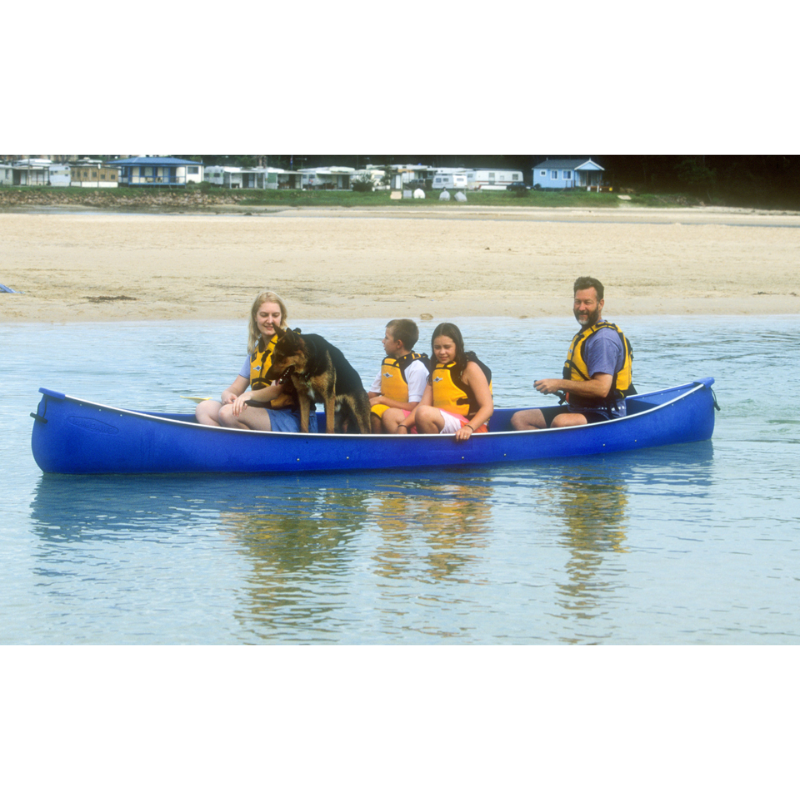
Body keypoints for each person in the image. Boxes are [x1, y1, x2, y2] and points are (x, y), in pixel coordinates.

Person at [511, 276, 634, 430]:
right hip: (579, 410)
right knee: (520, 419)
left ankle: (550, 451)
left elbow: (602, 389)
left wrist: (558, 384)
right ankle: (545, 452)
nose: (581, 307)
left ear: (600, 304)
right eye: (578, 302)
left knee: (560, 422)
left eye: (587, 302)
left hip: (605, 413)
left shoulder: (603, 339)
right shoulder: (587, 333)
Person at [195, 290, 318, 432]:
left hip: (295, 419)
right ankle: (225, 449)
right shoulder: (256, 352)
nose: (270, 321)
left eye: (275, 315)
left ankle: (243, 450)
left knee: (227, 413)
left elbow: (276, 390)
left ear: (281, 317)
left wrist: (248, 396)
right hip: (265, 414)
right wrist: (227, 395)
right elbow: (236, 388)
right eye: (264, 315)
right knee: (204, 408)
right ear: (255, 317)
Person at [396, 322, 493, 441]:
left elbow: (488, 407)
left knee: (424, 413)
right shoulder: (436, 369)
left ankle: (434, 452)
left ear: (457, 346)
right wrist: (403, 425)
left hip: (470, 426)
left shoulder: (470, 368)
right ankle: (406, 450)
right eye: (437, 347)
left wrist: (469, 427)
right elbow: (423, 404)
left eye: (447, 347)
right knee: (390, 415)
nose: (442, 352)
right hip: (444, 422)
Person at [368, 319, 431, 433]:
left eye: (386, 338)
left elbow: (414, 407)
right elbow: (372, 395)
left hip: (411, 415)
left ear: (398, 344)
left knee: (375, 414)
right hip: (390, 410)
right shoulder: (388, 363)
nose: (383, 341)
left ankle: (381, 448)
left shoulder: (416, 367)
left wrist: (381, 400)